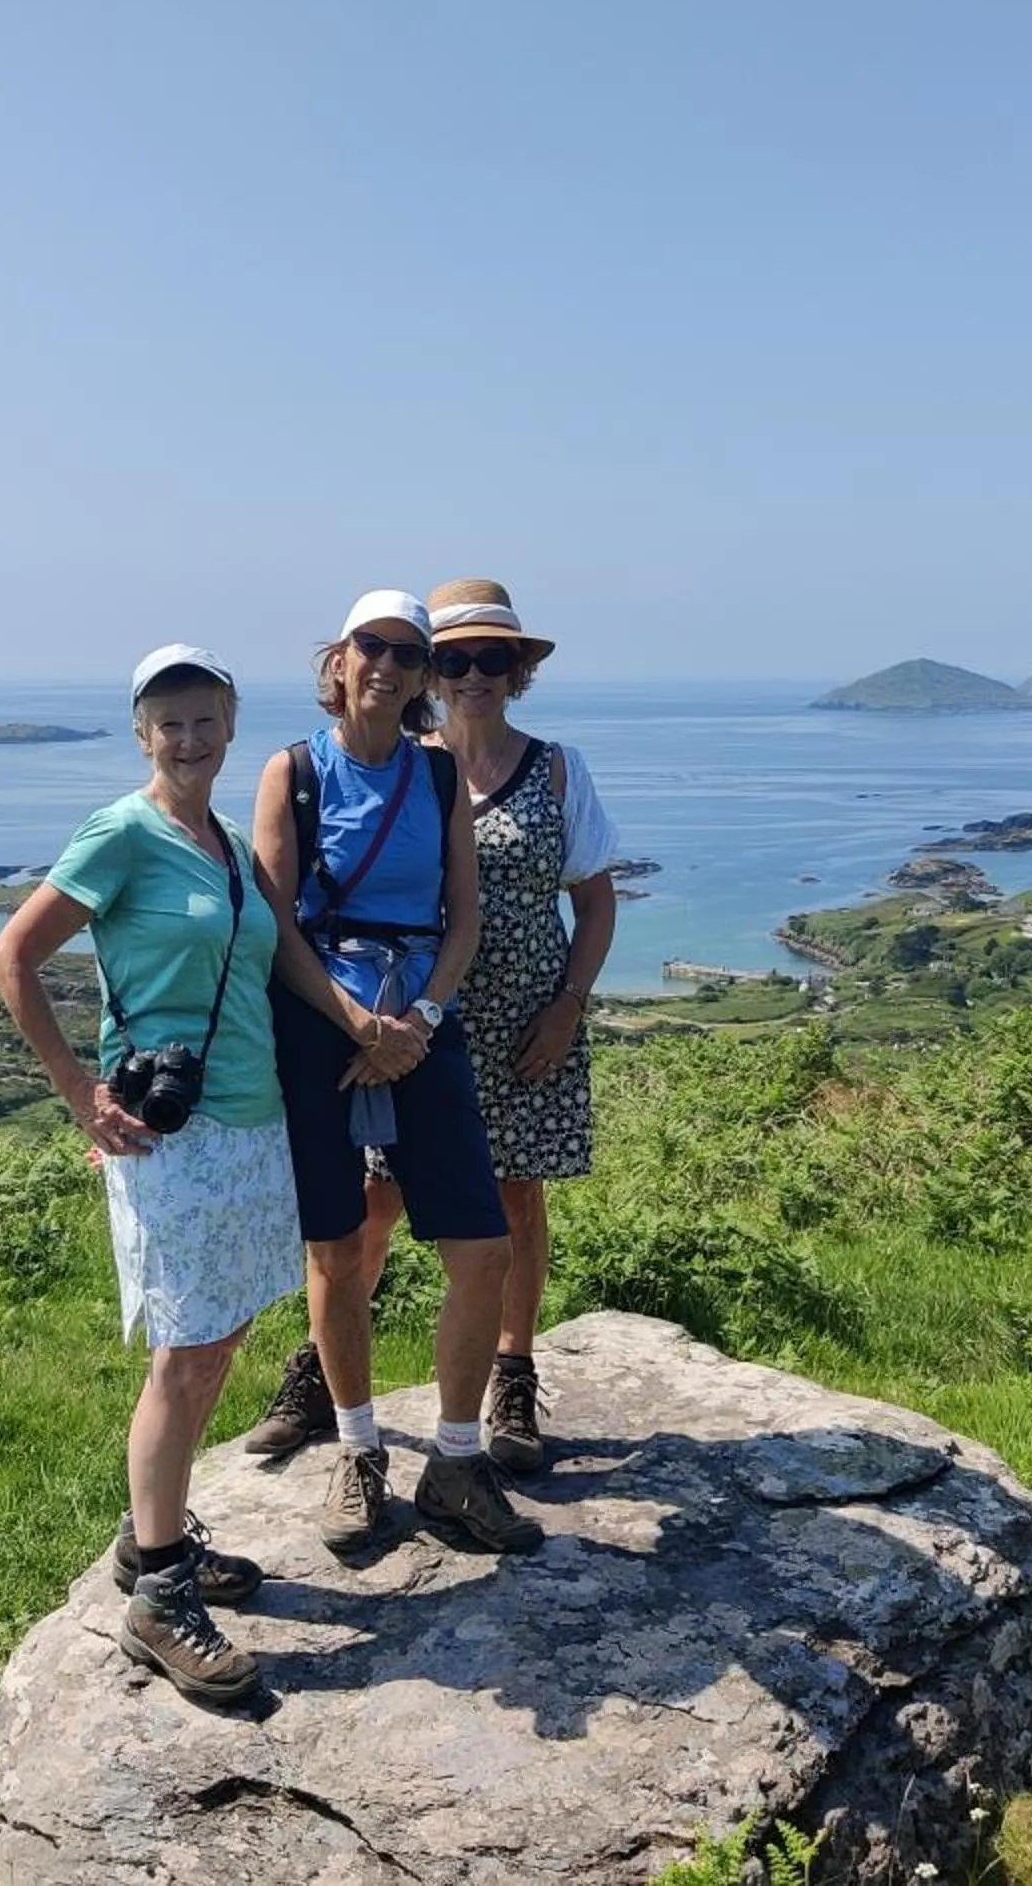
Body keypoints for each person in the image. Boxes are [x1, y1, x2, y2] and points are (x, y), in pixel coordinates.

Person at [0, 644, 301, 1705]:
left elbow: (279, 954)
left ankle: (148, 1535)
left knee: (224, 1335)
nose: (189, 736)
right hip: (176, 1137)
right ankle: (160, 1600)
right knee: (185, 1354)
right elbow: (11, 959)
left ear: (230, 720)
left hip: (253, 1124)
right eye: (168, 721)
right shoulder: (123, 832)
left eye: (205, 717)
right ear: (141, 733)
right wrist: (82, 1095)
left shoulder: (220, 843)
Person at [240, 589, 543, 1556]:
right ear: (339, 660)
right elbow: (276, 922)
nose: (390, 666)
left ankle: (455, 1461)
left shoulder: (438, 775)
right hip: (323, 1019)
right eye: (374, 647)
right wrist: (355, 1021)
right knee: (335, 1249)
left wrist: (416, 1019)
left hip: (417, 1014)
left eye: (410, 656)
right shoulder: (291, 771)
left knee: (480, 1246)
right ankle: (359, 1450)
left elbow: (464, 917)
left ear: (421, 679)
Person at [378, 578, 618, 1472]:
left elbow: (594, 904)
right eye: (453, 659)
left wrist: (568, 1007)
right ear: (428, 672)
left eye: (492, 658)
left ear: (516, 671)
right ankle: (328, 1369)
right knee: (376, 1196)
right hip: (415, 1019)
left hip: (527, 1020)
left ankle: (512, 1372)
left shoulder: (556, 769)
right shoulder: (405, 766)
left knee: (517, 1196)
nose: (473, 674)